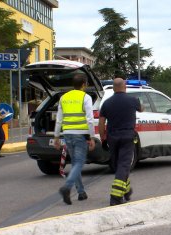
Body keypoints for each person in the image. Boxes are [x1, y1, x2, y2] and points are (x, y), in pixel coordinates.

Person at [98, 78, 143, 206]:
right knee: (124, 166)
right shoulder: (132, 100)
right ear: (125, 87)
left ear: (113, 88)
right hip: (127, 137)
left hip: (112, 138)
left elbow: (101, 123)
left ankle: (126, 191)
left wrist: (103, 138)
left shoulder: (106, 103)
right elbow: (142, 109)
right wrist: (140, 102)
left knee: (119, 165)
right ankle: (116, 197)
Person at [54, 74, 96, 205]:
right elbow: (90, 119)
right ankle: (67, 187)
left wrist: (56, 136)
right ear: (84, 84)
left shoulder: (63, 97)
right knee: (79, 162)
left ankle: (81, 192)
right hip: (80, 135)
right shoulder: (86, 97)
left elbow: (59, 119)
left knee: (75, 163)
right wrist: (92, 137)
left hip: (67, 134)